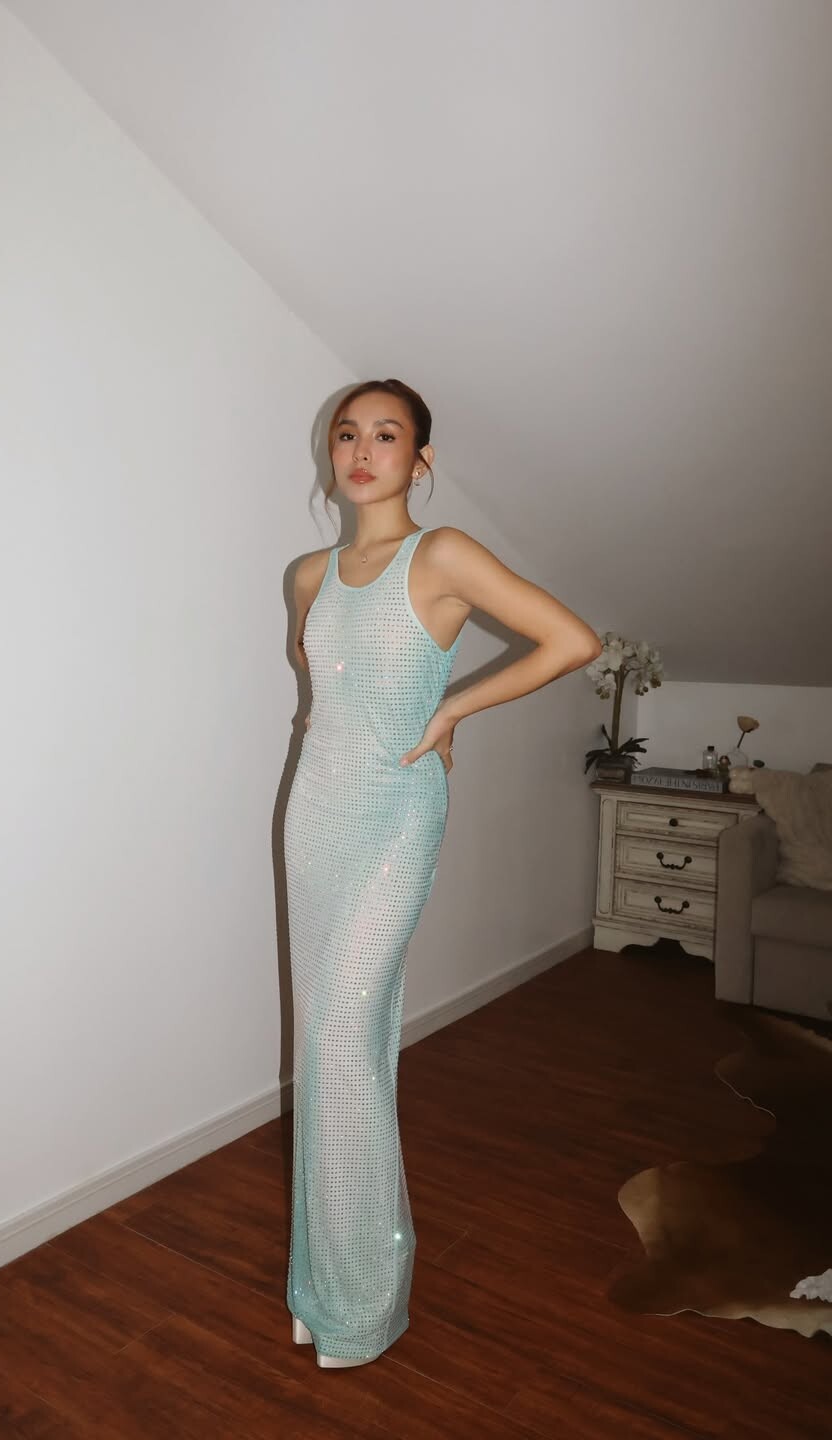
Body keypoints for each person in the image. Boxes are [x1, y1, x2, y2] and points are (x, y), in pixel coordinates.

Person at [284, 378, 601, 1368]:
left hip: (395, 817)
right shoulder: (307, 573)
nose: (362, 450)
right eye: (347, 434)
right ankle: (323, 1284)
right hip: (314, 816)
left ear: (420, 460)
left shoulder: (444, 555)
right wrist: (338, 726)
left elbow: (573, 642)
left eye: (387, 435)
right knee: (326, 1044)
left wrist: (453, 707)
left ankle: (361, 1304)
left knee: (341, 1038)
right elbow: (318, 692)